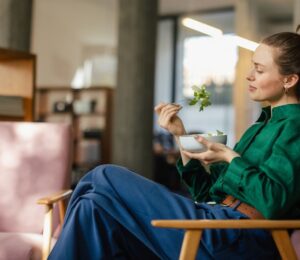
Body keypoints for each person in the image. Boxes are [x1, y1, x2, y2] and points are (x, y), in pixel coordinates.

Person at [48, 29, 300, 260]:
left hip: (237, 238)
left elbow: (273, 200)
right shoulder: (260, 126)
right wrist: (180, 135)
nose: (249, 75)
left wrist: (231, 158)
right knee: (91, 209)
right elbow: (207, 193)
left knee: (103, 175)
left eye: (259, 69)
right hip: (217, 223)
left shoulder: (295, 126)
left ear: (289, 80)